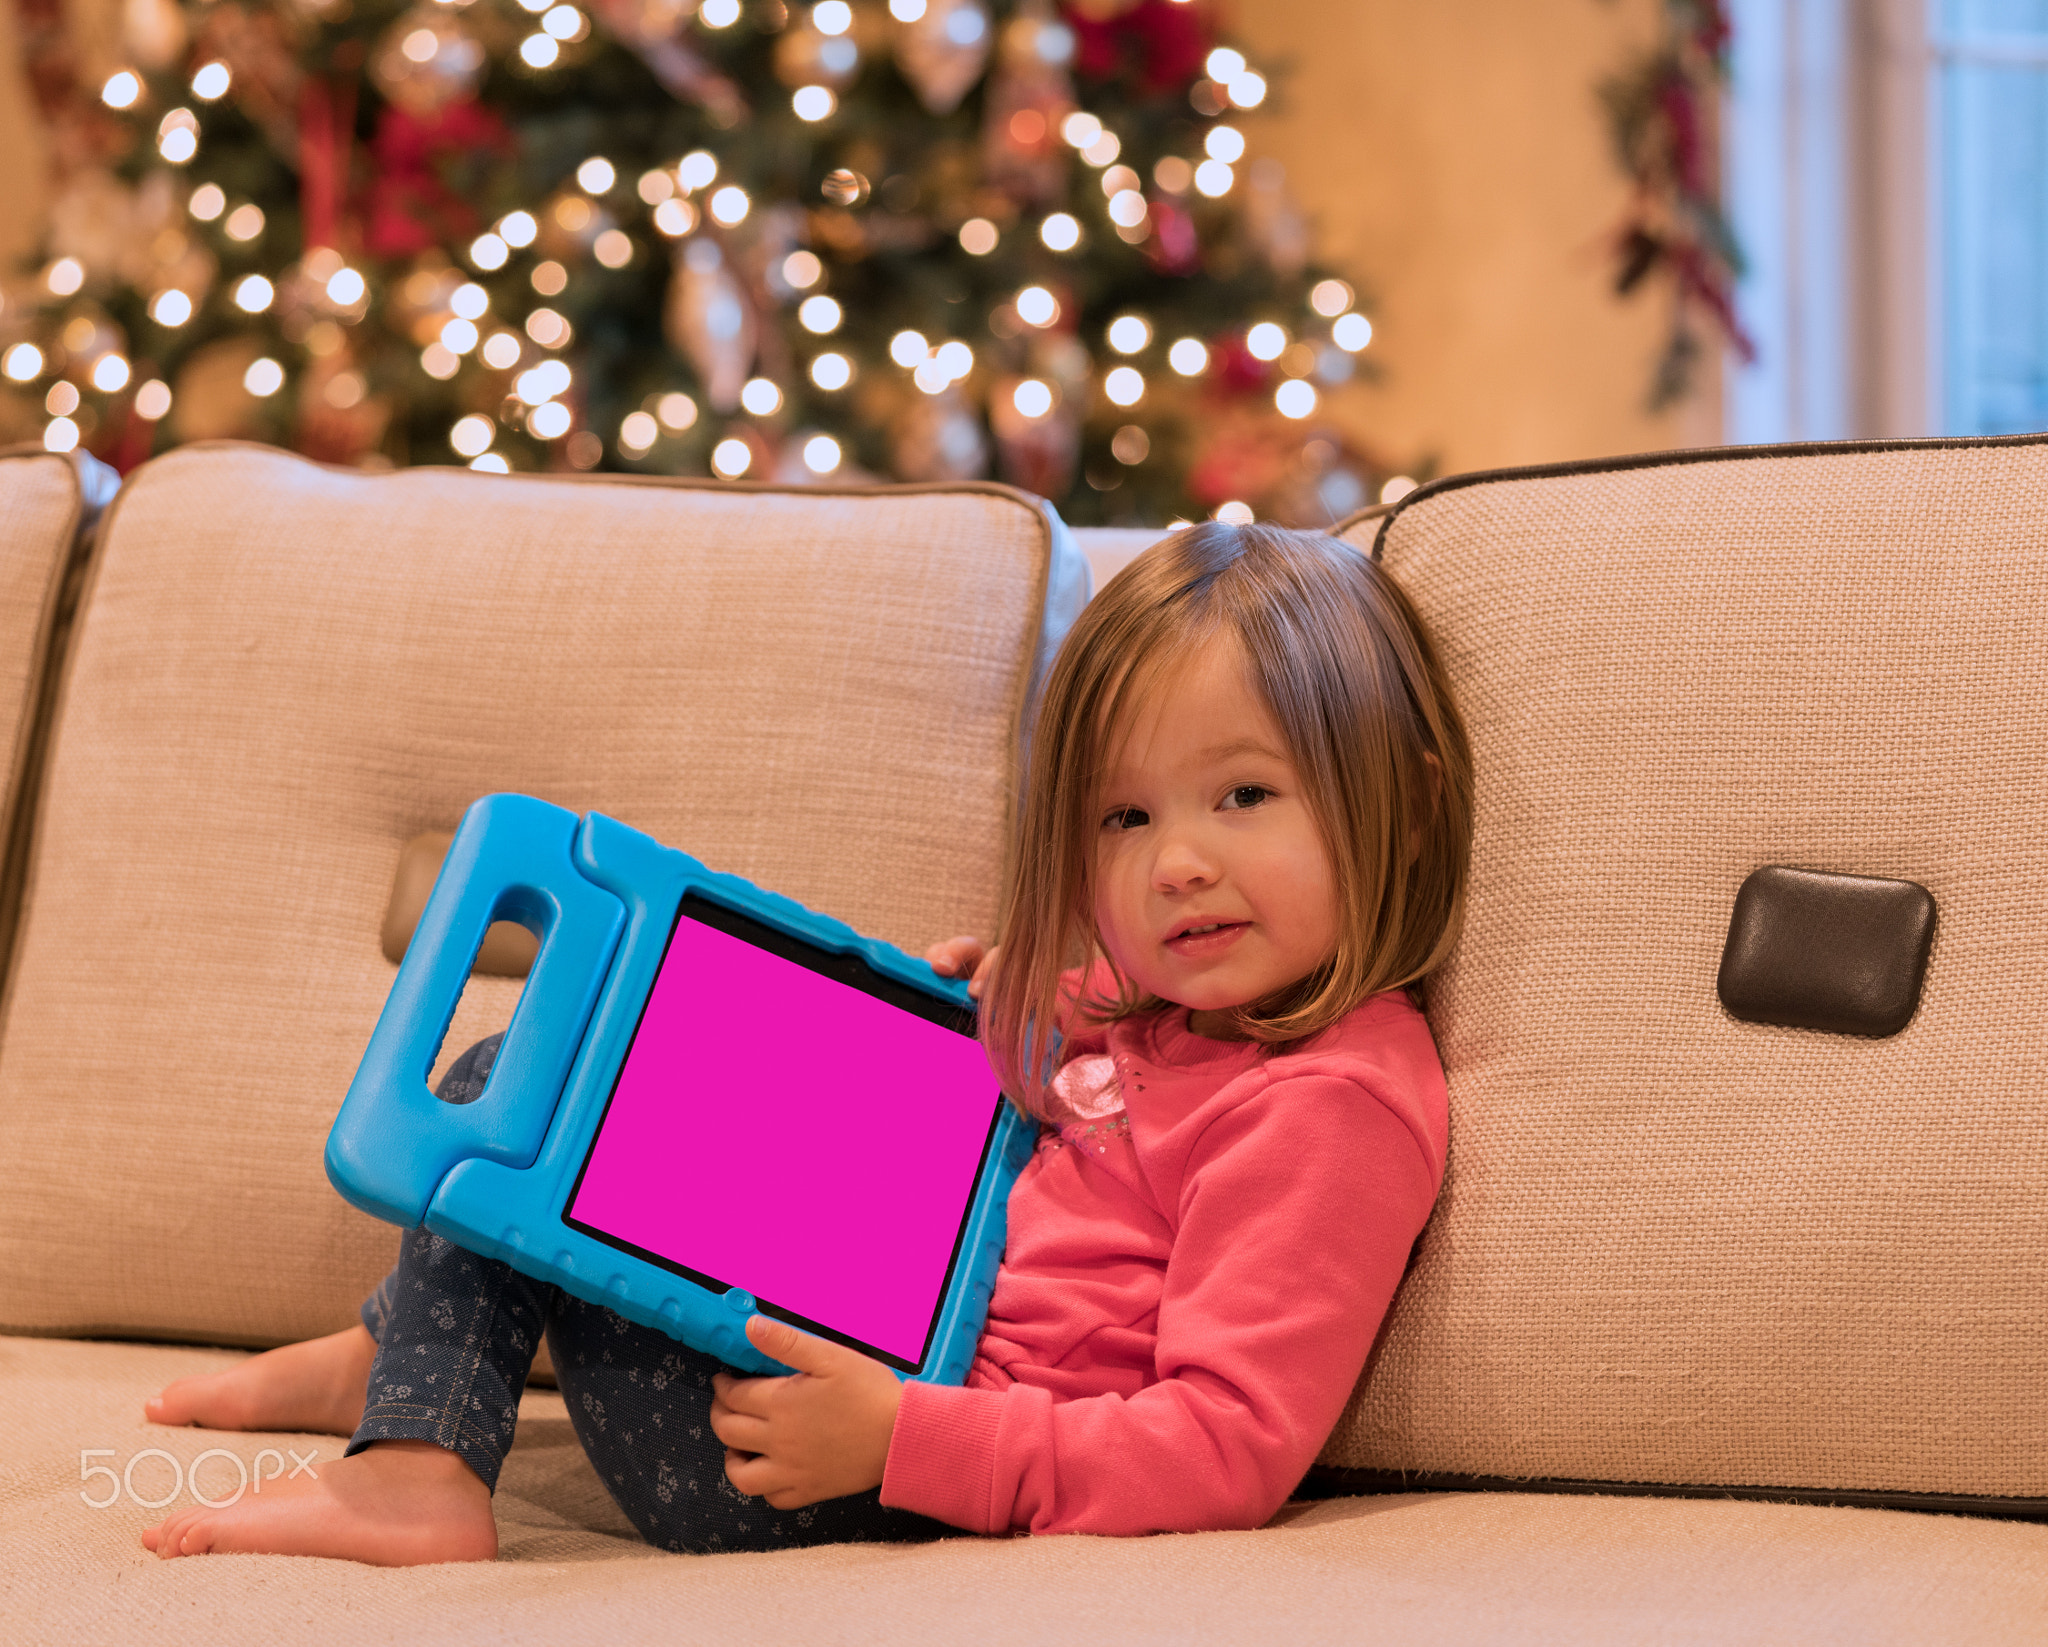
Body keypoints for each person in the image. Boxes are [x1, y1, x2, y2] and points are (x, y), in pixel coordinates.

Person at [138, 520, 1473, 1564]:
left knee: (533, 1102)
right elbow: (1070, 1127)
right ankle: (421, 1357)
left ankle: (419, 1467)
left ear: (1398, 810)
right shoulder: (1167, 1010)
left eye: (1244, 794)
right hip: (893, 1313)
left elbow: (1225, 1446)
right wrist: (1015, 1014)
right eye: (1125, 819)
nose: (1180, 862)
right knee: (584, 1059)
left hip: (847, 1459)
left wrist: (901, 1444)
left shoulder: (1330, 1107)